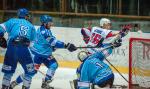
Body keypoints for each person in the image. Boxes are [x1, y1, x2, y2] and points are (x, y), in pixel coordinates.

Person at [10, 15, 77, 89]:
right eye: (49, 23)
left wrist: (54, 47)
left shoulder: (45, 30)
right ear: (45, 23)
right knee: (31, 73)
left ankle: (45, 83)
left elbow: (49, 43)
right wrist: (66, 45)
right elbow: (53, 42)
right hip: (37, 55)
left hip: (46, 55)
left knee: (53, 65)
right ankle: (15, 82)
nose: (51, 24)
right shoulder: (44, 32)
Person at [74, 18, 131, 88]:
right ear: (103, 24)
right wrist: (123, 33)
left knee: (80, 71)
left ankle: (83, 84)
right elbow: (117, 35)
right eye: (108, 24)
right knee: (89, 70)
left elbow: (83, 30)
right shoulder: (106, 31)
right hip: (96, 55)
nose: (109, 26)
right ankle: (89, 84)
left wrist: (87, 39)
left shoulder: (94, 28)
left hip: (88, 53)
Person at [0, 8, 36, 89]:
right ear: (26, 16)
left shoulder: (12, 21)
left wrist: (0, 38)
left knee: (8, 72)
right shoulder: (31, 26)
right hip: (24, 50)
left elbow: (0, 29)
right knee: (30, 72)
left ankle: (5, 87)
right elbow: (32, 45)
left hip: (11, 49)